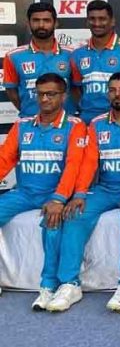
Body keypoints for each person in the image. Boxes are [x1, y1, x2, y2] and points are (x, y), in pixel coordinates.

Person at [48, 72, 120, 312]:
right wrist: (79, 194)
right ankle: (69, 284)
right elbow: (89, 163)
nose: (118, 94)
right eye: (113, 90)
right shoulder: (97, 124)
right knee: (74, 215)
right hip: (106, 189)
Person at [0, 73, 86, 309]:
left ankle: (50, 286)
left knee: (53, 224)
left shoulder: (75, 126)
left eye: (51, 94)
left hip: (55, 193)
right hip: (25, 193)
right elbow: (4, 159)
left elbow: (74, 165)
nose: (45, 99)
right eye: (40, 94)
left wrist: (59, 198)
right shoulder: (22, 125)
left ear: (63, 96)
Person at [70, 0, 120, 124]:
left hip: (119, 119)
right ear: (87, 21)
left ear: (112, 21)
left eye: (102, 19)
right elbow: (77, 89)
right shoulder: (77, 54)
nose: (97, 23)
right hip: (88, 120)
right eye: (92, 19)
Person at [3, 2, 76, 117]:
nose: (41, 25)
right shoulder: (13, 56)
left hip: (66, 123)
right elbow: (12, 92)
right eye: (36, 20)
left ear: (55, 23)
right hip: (29, 122)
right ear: (28, 24)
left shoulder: (72, 54)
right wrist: (30, 111)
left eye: (46, 20)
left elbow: (77, 89)